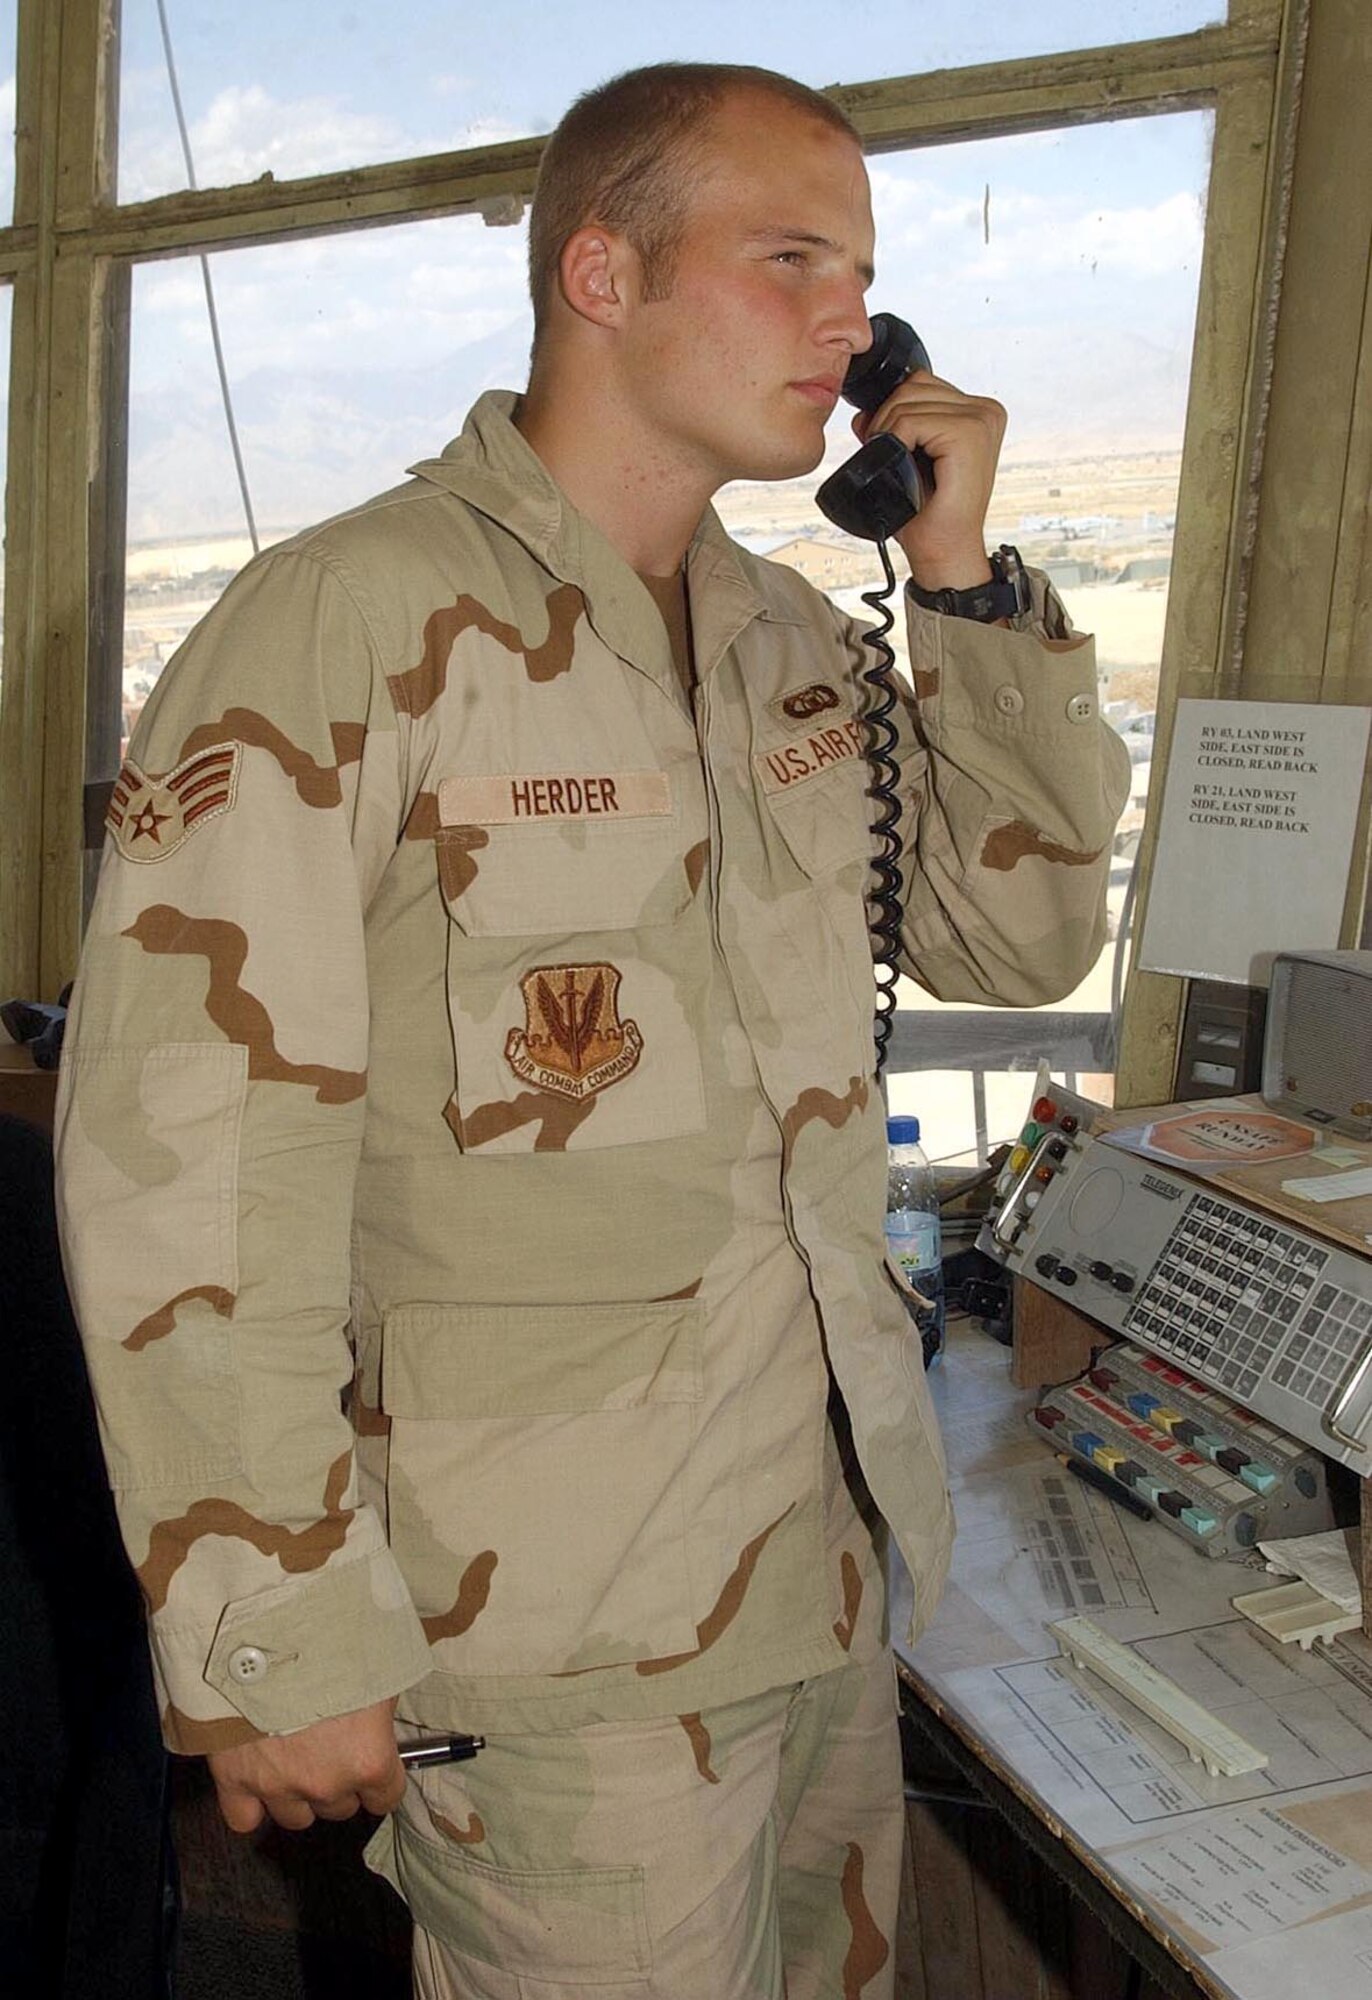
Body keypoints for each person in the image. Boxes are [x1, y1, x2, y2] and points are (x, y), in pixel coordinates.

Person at [56, 61, 1129, 2000]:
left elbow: (1022, 922)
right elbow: (188, 1163)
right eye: (789, 257)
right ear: (601, 274)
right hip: (543, 1637)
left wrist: (959, 584)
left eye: (862, 277)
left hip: (807, 1575)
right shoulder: (343, 627)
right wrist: (265, 1631)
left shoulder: (790, 644)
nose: (843, 324)